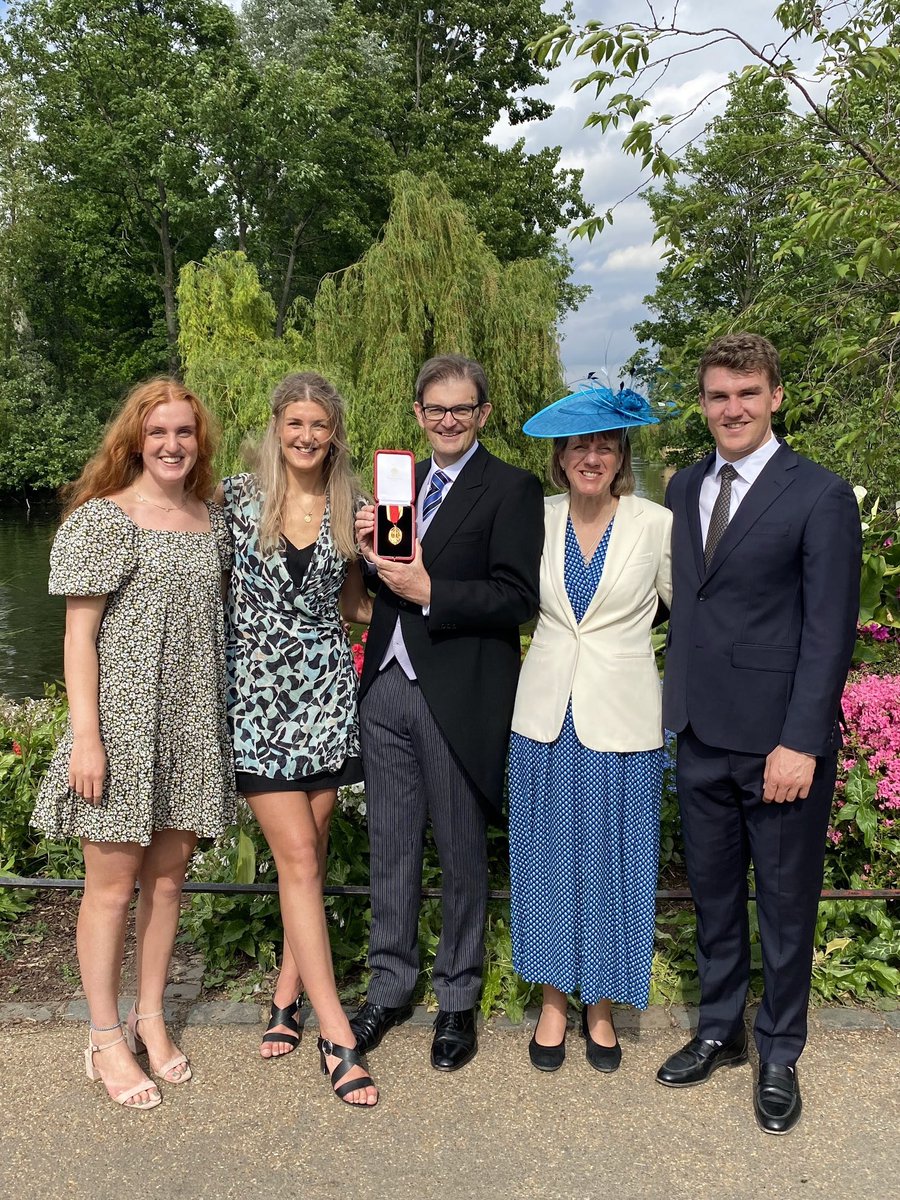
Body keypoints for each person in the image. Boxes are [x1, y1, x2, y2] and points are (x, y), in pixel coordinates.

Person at [657, 333, 861, 1134]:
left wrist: (800, 741)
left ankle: (778, 1050)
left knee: (782, 905)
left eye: (746, 393)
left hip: (779, 743)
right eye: (717, 395)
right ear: (702, 403)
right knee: (712, 897)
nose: (731, 408)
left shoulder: (819, 494)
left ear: (775, 396)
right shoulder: (683, 487)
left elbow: (828, 631)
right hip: (700, 730)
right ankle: (719, 1029)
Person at [33, 378, 236, 1111]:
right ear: (135, 441)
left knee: (169, 881)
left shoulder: (212, 520)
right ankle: (105, 1037)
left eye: (184, 432)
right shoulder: (103, 522)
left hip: (189, 727)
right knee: (111, 888)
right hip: (121, 728)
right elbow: (78, 637)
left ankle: (150, 1015)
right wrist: (86, 738)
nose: (173, 445)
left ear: (198, 441)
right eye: (159, 433)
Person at [350, 353, 544, 1070]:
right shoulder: (402, 485)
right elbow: (384, 583)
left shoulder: (511, 489)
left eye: (462, 408)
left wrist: (433, 588)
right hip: (387, 686)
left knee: (462, 852)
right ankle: (390, 985)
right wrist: (373, 555)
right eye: (436, 409)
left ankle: (457, 996)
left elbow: (518, 600)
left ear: (483, 413)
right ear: (418, 415)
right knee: (392, 847)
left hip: (459, 693)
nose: (449, 420)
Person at [219, 371, 378, 1107]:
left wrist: (390, 565)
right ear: (276, 428)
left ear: (334, 432)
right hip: (258, 699)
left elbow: (354, 606)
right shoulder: (235, 500)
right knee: (298, 861)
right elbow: (203, 584)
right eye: (295, 425)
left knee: (307, 862)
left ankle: (285, 994)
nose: (308, 436)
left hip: (325, 695)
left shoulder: (354, 508)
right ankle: (336, 1033)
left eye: (320, 425)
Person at [508, 383, 672, 1073]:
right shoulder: (532, 518)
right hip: (545, 716)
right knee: (545, 861)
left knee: (613, 864)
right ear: (561, 455)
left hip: (623, 719)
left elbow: (685, 613)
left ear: (622, 453)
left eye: (605, 444)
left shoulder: (655, 524)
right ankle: (552, 1003)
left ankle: (601, 1007)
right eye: (580, 444)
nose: (592, 455)